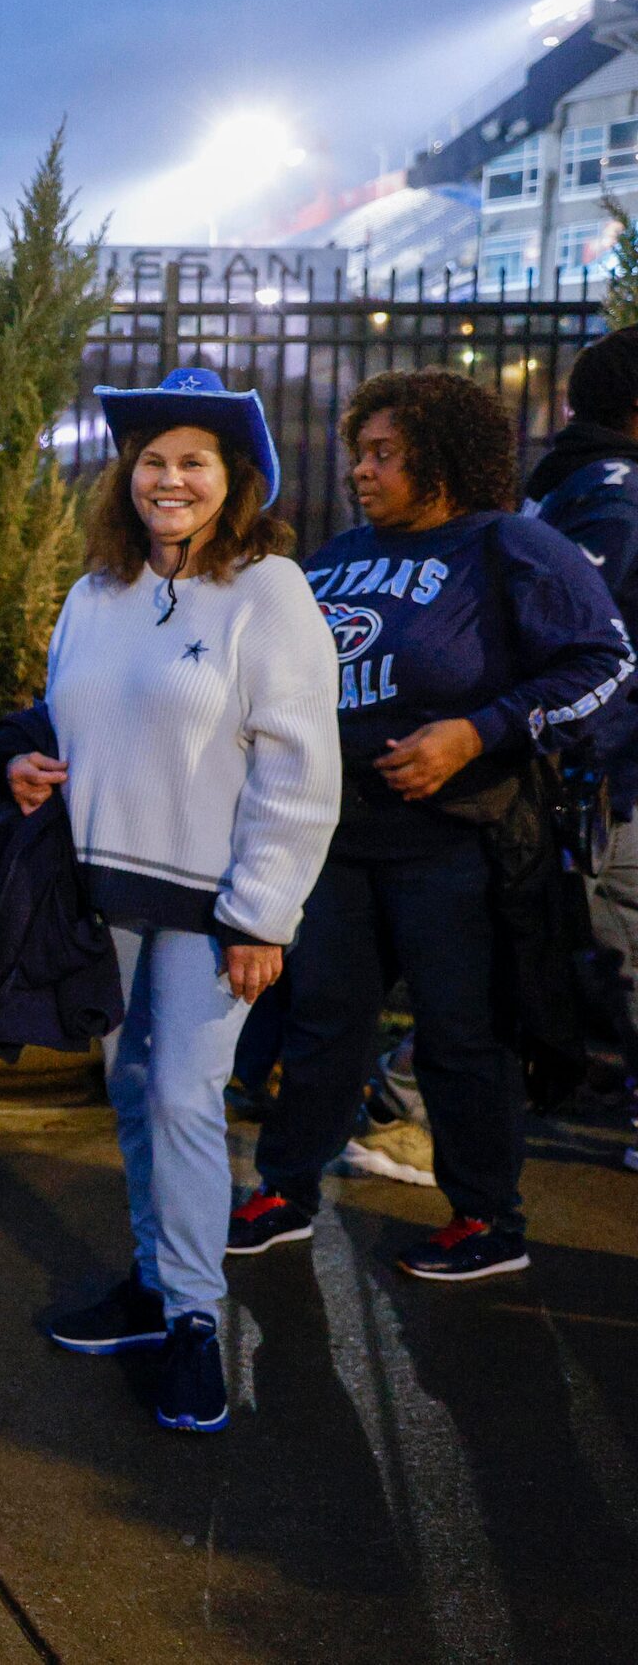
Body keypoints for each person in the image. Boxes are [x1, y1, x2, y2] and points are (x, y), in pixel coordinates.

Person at [233, 367, 631, 1281]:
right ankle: (285, 1192)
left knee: (463, 1035)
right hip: (337, 840)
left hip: (460, 840)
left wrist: (478, 731)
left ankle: (490, 1220)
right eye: (358, 454)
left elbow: (606, 664)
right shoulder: (329, 560)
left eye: (384, 453)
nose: (362, 472)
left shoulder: (511, 547)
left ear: (443, 457)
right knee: (323, 1025)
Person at [5, 371, 340, 1433]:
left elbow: (299, 767)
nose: (167, 479)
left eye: (192, 461)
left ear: (233, 480)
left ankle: (195, 1318)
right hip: (102, 891)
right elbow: (65, 718)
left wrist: (260, 914)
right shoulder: (92, 592)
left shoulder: (268, 590)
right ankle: (152, 1286)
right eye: (151, 460)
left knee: (183, 1100)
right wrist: (28, 764)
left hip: (209, 908)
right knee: (130, 1088)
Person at [522, 327, 638, 1073]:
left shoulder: (566, 483)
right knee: (607, 946)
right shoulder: (617, 496)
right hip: (606, 772)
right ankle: (403, 1103)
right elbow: (586, 643)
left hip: (593, 768)